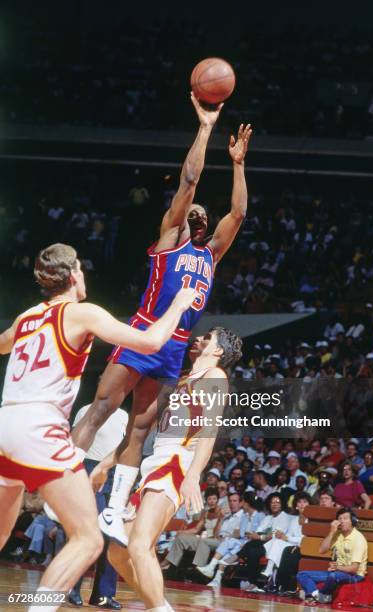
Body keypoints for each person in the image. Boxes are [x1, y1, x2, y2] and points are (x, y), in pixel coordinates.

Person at [72, 95, 252, 545]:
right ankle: (64, 480)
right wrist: (207, 128)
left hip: (174, 347)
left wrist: (238, 165)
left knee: (140, 427)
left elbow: (240, 213)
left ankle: (112, 510)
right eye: (192, 212)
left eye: (203, 215)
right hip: (143, 332)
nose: (197, 214)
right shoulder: (170, 240)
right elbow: (189, 180)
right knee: (101, 409)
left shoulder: (211, 254)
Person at [0, 243, 196, 612]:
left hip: (5, 421)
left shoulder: (27, 317)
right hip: (38, 425)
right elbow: (151, 341)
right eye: (82, 270)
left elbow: (2, 345)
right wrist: (179, 305)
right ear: (74, 274)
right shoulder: (81, 312)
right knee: (88, 540)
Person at [107, 327, 243, 612]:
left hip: (176, 463)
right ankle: (158, 604)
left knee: (139, 545)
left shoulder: (215, 376)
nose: (200, 339)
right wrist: (110, 461)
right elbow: (144, 429)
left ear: (218, 351)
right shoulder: (182, 380)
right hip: (154, 464)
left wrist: (193, 475)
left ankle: (158, 608)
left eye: (208, 338)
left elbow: (210, 428)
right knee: (118, 553)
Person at [69, 403, 129, 609]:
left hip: (116, 473)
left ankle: (103, 595)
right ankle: (71, 587)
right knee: (89, 531)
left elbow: (128, 447)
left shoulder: (124, 416)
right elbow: (75, 442)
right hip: (89, 467)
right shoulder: (86, 410)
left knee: (111, 535)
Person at [297, 507, 368, 605]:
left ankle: (312, 595)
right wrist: (332, 532)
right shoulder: (337, 534)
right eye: (340, 519)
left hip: (355, 575)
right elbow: (322, 550)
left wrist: (336, 567)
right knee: (302, 575)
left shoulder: (358, 539)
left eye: (345, 518)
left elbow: (354, 569)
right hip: (338, 572)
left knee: (333, 576)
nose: (342, 521)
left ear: (353, 521)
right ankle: (317, 596)